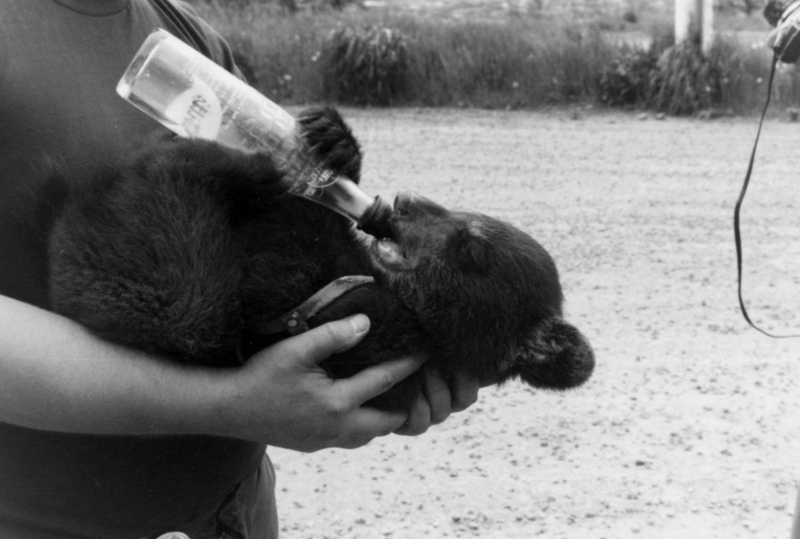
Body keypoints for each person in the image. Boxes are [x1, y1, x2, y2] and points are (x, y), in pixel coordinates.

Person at [0, 1, 481, 537]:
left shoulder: (188, 37)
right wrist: (227, 406)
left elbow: (265, 224)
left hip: (232, 514)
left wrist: (395, 362)